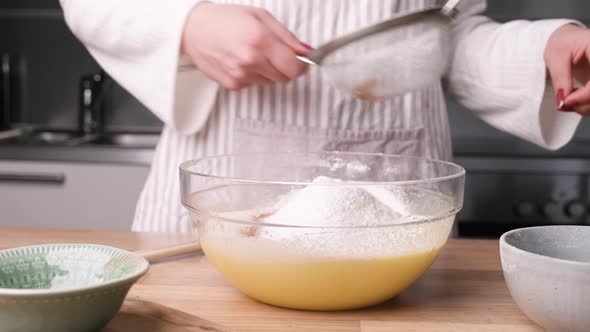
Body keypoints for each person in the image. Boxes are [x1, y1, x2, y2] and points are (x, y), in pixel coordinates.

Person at [60, 0, 590, 232]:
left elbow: (444, 37)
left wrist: (542, 49)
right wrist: (187, 23)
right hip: (215, 221)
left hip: (399, 218)